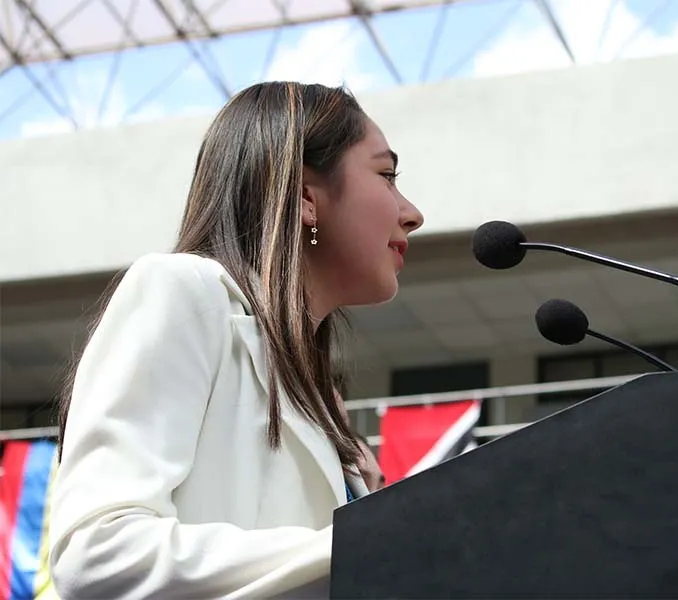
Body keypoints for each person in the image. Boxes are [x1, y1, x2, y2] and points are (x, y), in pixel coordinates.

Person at [48, 81, 423, 599]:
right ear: (305, 197)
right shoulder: (180, 289)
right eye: (387, 175)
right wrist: (361, 545)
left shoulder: (322, 398)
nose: (412, 213)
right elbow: (97, 552)